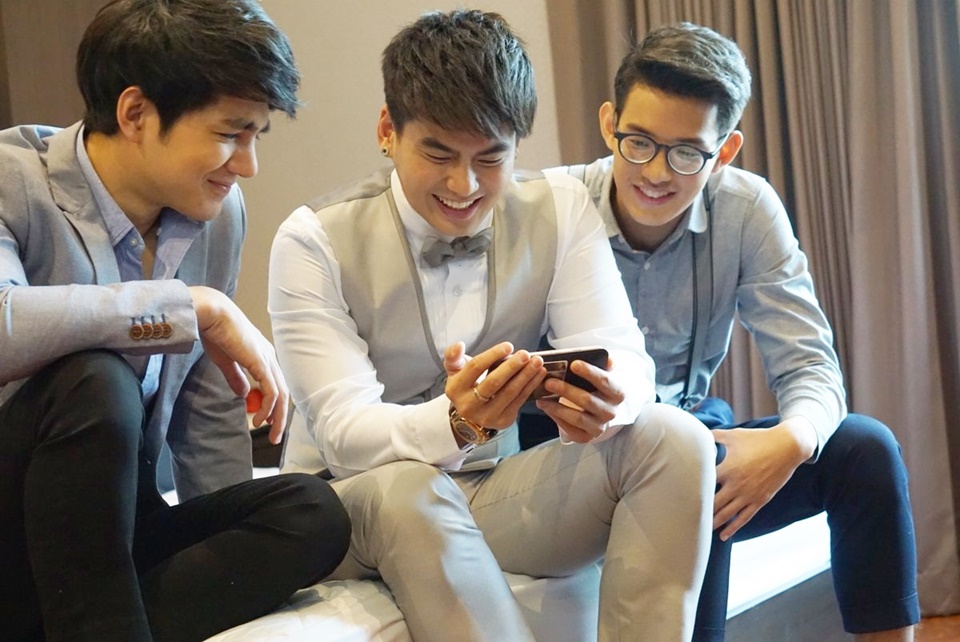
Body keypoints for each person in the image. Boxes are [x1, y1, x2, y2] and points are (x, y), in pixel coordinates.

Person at [269, 9, 717, 642]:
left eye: (491, 157)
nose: (465, 184)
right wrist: (456, 421)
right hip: (348, 505)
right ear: (387, 130)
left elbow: (625, 356)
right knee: (409, 489)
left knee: (678, 438)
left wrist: (609, 403)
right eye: (439, 154)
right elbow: (343, 435)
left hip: (486, 492)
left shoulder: (560, 209)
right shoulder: (311, 239)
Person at [547, 22, 918, 642]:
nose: (656, 172)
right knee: (690, 458)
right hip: (572, 458)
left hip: (690, 430)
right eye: (638, 142)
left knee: (865, 450)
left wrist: (792, 441)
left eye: (687, 153)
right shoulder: (554, 205)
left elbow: (810, 365)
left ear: (725, 151)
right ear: (609, 124)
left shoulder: (746, 210)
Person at [0, 1, 351, 640]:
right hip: (15, 520)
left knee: (310, 511)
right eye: (230, 133)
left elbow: (208, 409)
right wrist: (190, 307)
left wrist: (220, 519)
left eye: (257, 136)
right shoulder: (12, 177)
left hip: (110, 532)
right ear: (136, 113)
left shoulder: (218, 213)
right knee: (94, 380)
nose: (247, 165)